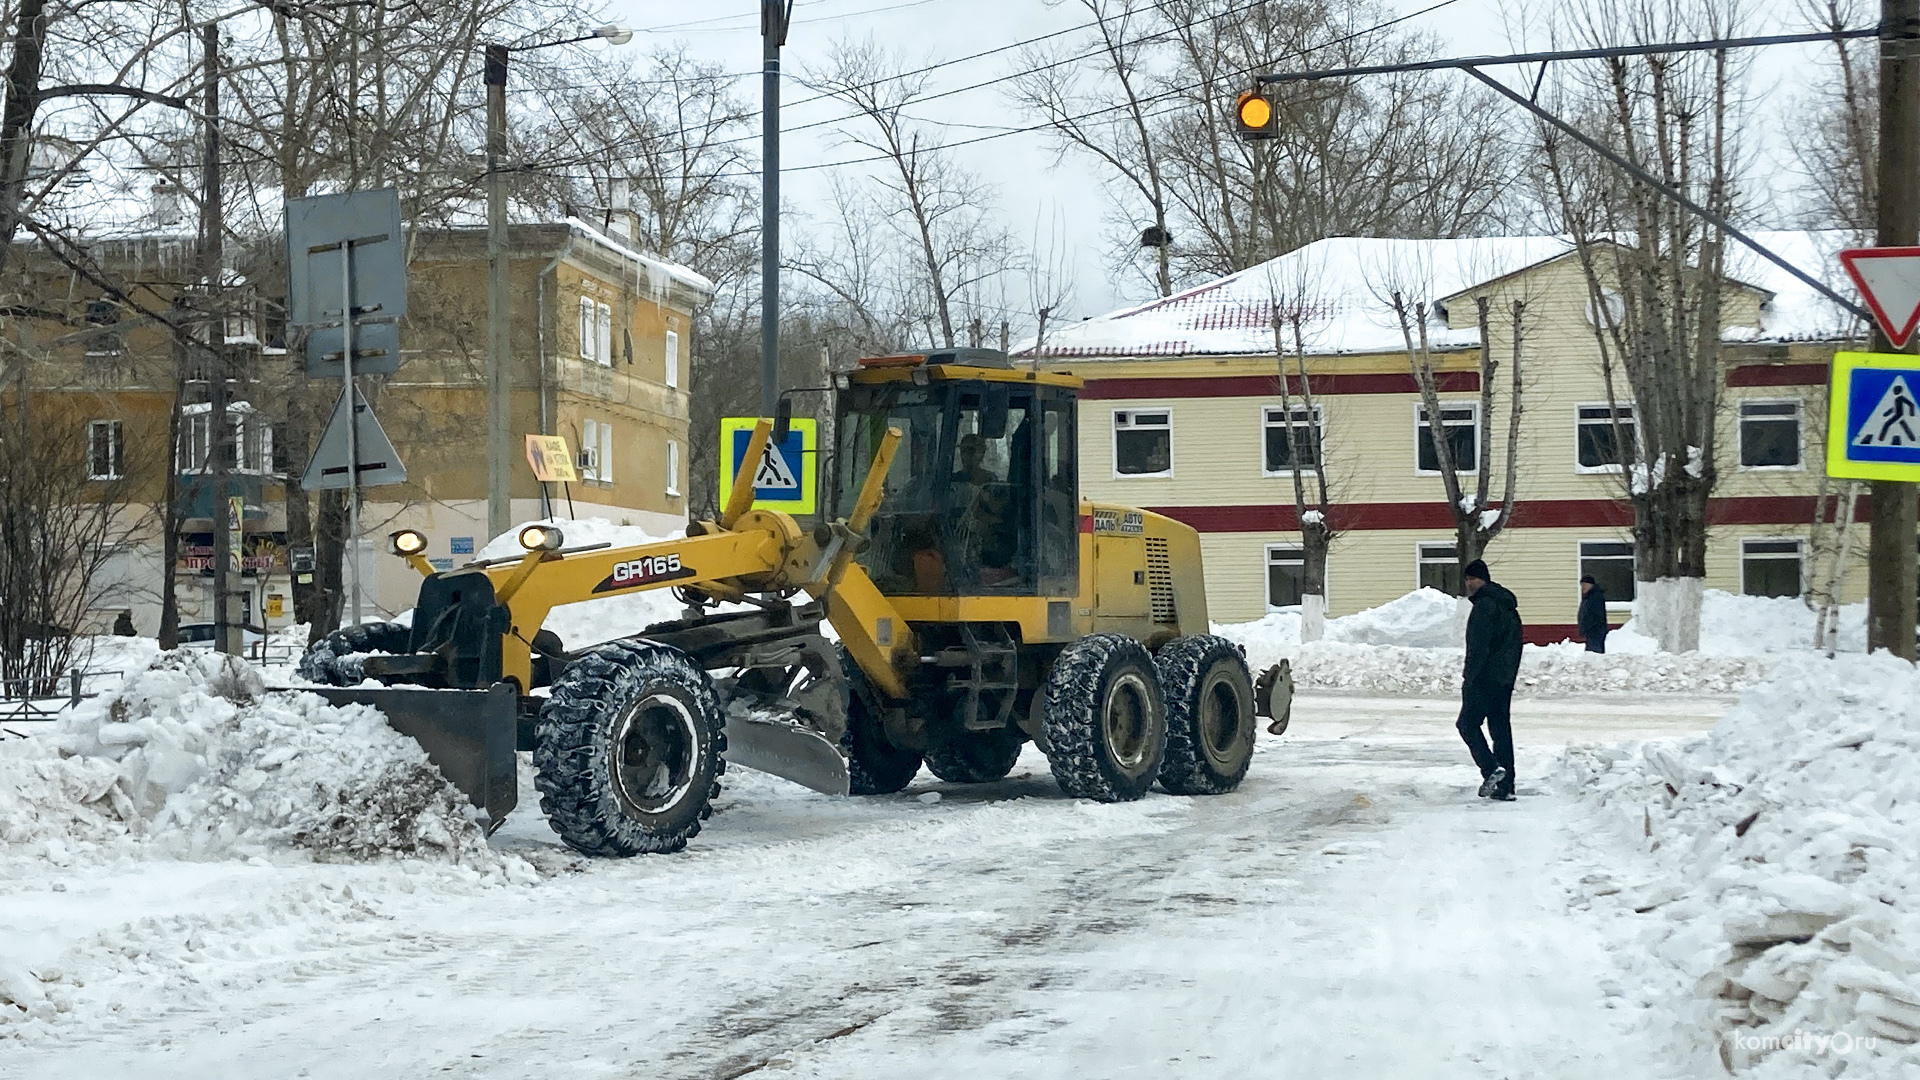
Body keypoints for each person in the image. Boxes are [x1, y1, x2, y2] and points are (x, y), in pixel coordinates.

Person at [1458, 559, 1523, 802]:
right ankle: (1506, 785)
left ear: (1482, 579)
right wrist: (1508, 675)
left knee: (1466, 724)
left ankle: (1491, 769)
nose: (1469, 584)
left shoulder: (1485, 606)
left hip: (1484, 678)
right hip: (1504, 678)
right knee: (1500, 729)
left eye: (1471, 579)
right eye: (1467, 579)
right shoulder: (1507, 607)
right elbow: (1515, 646)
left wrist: (1470, 677)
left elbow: (1478, 647)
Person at [1577, 574, 1608, 654]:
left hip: (1595, 632)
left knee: (1594, 654)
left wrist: (1590, 627)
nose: (1583, 587)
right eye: (1581, 585)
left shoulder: (1595, 597)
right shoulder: (1587, 597)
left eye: (1585, 585)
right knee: (1590, 654)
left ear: (1591, 585)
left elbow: (1597, 615)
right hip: (1590, 632)